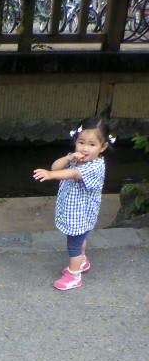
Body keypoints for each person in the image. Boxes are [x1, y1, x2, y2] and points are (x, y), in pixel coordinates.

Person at [33, 117, 114, 291]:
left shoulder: (96, 166)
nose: (85, 148)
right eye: (81, 142)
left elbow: (73, 174)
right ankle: (82, 261)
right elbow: (56, 167)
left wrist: (50, 175)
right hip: (73, 212)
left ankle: (74, 275)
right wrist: (68, 157)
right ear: (75, 141)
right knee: (79, 238)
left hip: (81, 215)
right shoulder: (75, 158)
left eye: (92, 145)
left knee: (74, 245)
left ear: (103, 147)